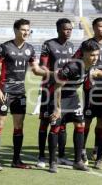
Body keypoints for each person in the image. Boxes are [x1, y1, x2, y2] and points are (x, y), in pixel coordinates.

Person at [0, 19, 49, 171]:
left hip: (20, 92)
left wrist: (54, 74)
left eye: (28, 30)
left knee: (19, 126)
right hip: (5, 91)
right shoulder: (5, 47)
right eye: (23, 29)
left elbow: (36, 69)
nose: (26, 32)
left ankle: (16, 160)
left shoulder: (30, 49)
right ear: (16, 30)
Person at [50, 39, 101, 173]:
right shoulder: (72, 67)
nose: (95, 58)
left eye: (97, 54)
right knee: (55, 127)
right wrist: (57, 108)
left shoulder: (90, 65)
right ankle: (52, 161)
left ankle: (78, 161)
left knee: (80, 125)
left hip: (73, 97)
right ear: (83, 54)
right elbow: (57, 87)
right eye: (92, 55)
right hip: (60, 97)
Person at [36, 18, 75, 170]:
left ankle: (62, 156)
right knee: (45, 122)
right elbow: (42, 68)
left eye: (70, 29)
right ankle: (41, 156)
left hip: (65, 91)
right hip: (49, 89)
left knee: (63, 123)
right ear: (58, 29)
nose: (69, 31)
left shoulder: (71, 46)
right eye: (66, 29)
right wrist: (55, 75)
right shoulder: (48, 44)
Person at [74, 17, 102, 165]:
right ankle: (82, 150)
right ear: (94, 28)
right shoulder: (88, 44)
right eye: (100, 27)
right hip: (90, 88)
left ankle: (97, 150)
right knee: (87, 121)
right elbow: (76, 59)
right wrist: (88, 71)